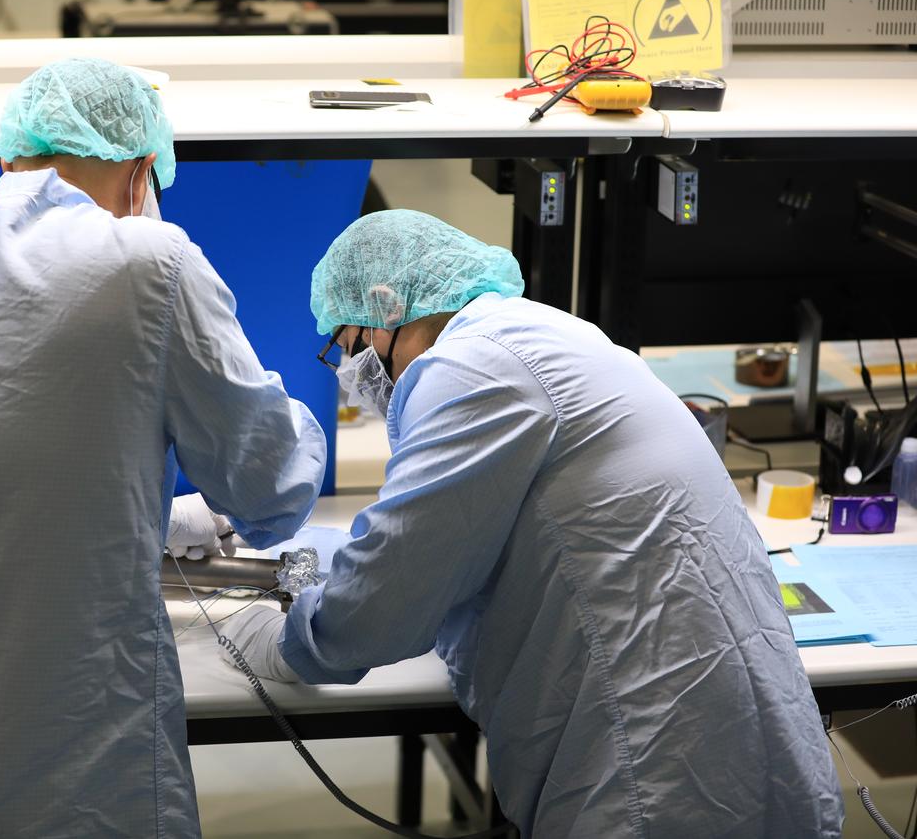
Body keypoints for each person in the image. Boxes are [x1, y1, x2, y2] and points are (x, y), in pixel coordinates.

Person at [0, 58, 326, 838]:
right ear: (141, 172)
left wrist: (154, 517)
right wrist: (298, 420)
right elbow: (272, 491)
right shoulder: (151, 261)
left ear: (11, 153)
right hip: (65, 780)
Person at [222, 209, 844, 837]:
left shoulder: (469, 371)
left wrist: (278, 643)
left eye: (351, 348)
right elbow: (437, 539)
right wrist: (261, 540)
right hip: (742, 739)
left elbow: (379, 608)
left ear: (386, 307)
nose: (354, 376)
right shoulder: (546, 336)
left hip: (654, 771)